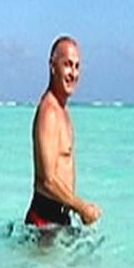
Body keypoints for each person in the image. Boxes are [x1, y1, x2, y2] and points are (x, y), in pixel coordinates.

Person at [24, 36, 101, 232]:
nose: (73, 73)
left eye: (77, 66)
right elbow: (47, 181)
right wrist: (82, 209)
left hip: (60, 218)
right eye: (67, 65)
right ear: (52, 66)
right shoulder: (49, 112)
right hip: (44, 220)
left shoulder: (62, 112)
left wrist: (74, 209)